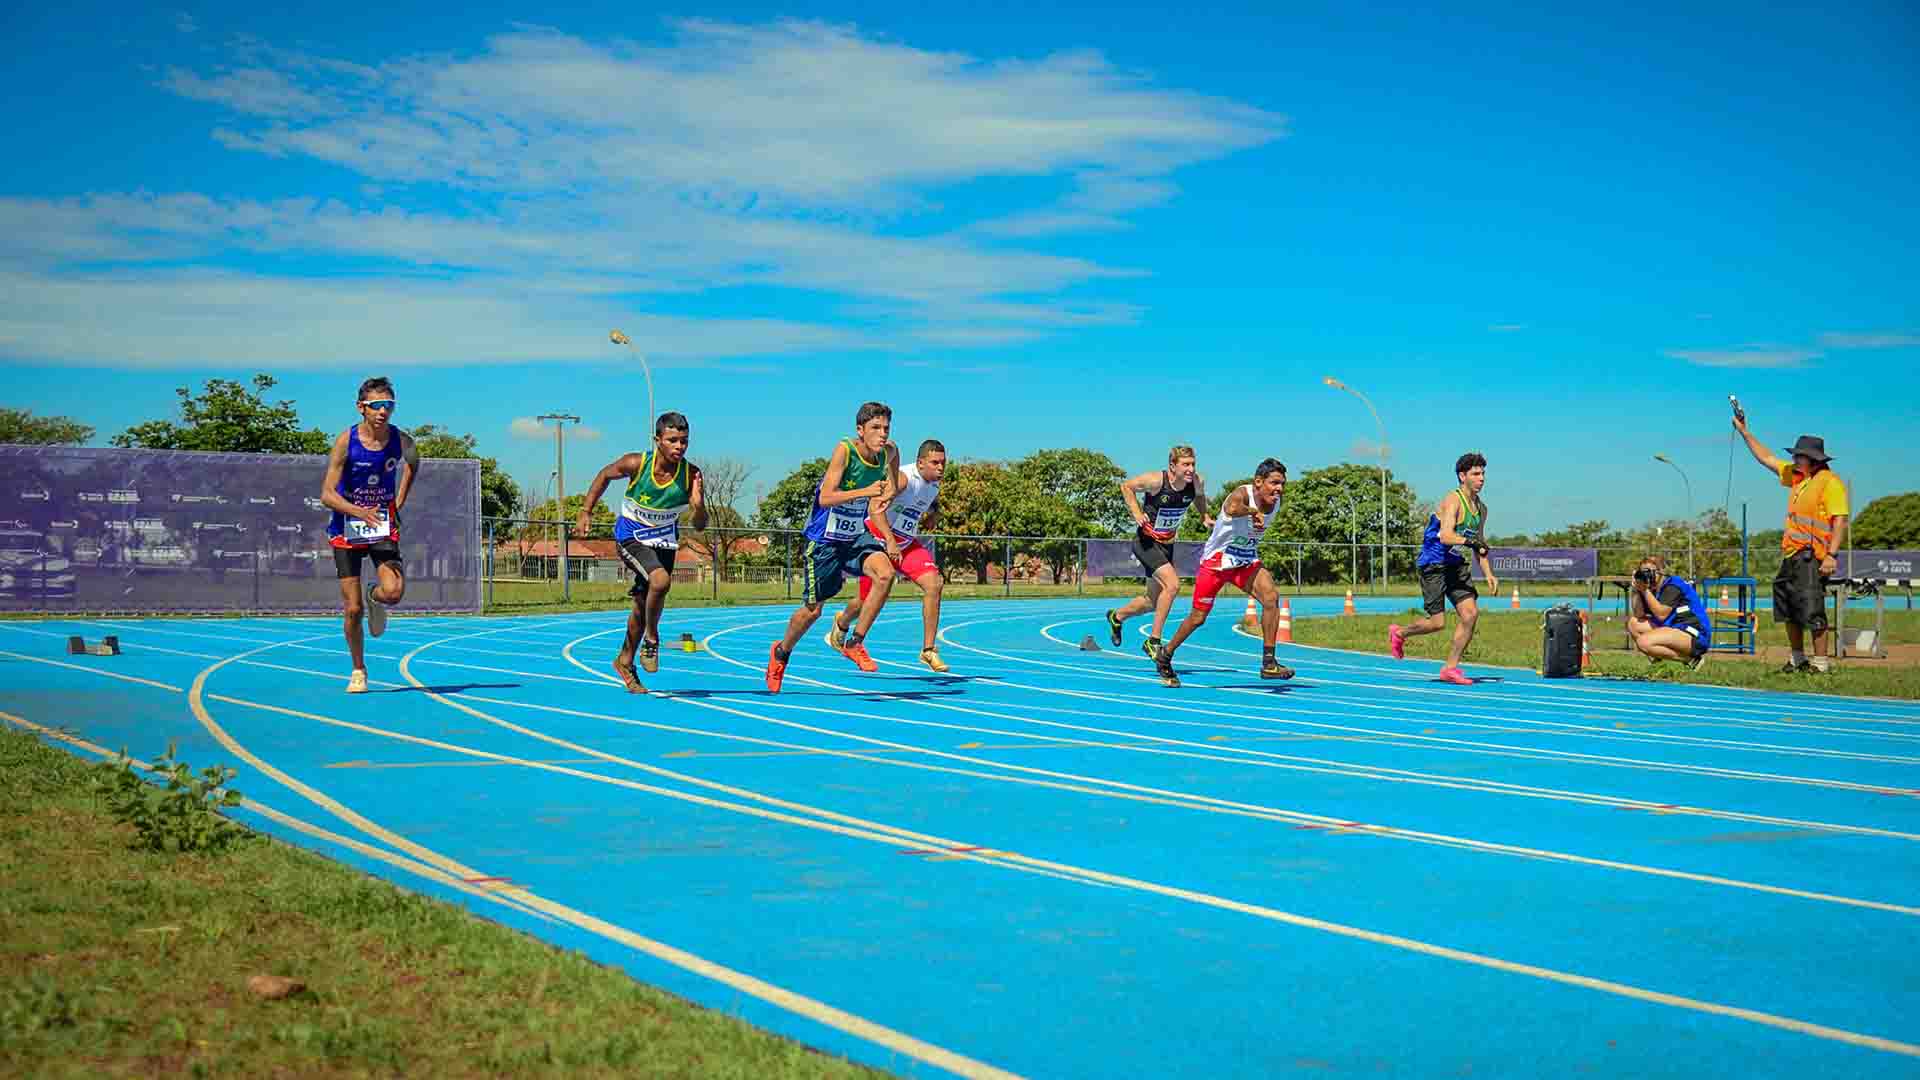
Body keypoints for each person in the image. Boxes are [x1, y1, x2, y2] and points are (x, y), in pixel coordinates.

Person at [764, 403, 898, 692]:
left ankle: (855, 642)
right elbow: (825, 498)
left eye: (886, 428)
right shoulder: (845, 450)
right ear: (860, 430)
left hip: (855, 536)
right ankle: (781, 652)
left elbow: (895, 457)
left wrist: (891, 487)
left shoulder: (886, 451)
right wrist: (866, 491)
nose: (882, 434)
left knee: (885, 574)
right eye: (875, 428)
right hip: (825, 540)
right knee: (813, 612)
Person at [575, 412, 709, 693]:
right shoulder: (636, 463)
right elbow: (604, 475)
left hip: (664, 542)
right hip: (631, 537)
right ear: (657, 440)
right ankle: (652, 638)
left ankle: (624, 661)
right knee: (660, 581)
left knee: (643, 602)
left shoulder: (691, 475)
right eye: (672, 440)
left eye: (684, 441)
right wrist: (586, 511)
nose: (679, 446)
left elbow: (699, 526)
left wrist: (698, 506)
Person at [1153, 458, 1295, 687]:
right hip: (1217, 562)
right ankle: (1165, 654)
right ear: (1258, 482)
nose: (1279, 489)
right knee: (1197, 618)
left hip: (1245, 560)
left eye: (1282, 484)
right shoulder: (1243, 494)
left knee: (1271, 597)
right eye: (1274, 483)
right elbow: (1231, 508)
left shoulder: (1276, 501)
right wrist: (1252, 512)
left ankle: (1269, 663)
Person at [320, 377, 417, 694]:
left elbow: (414, 462)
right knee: (352, 609)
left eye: (388, 405)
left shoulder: (400, 440)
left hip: (381, 526)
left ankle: (375, 596)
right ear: (361, 407)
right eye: (376, 405)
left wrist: (399, 499)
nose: (383, 411)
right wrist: (358, 511)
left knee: (394, 591)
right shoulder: (346, 441)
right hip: (347, 528)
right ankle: (358, 669)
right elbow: (327, 494)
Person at [1734, 416, 1849, 674]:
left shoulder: (1830, 482)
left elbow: (1840, 520)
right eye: (1795, 455)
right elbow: (1767, 459)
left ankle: (1820, 663)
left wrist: (1831, 555)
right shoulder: (1798, 478)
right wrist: (1744, 432)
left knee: (1812, 608)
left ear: (1813, 459)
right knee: (1787, 607)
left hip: (1812, 556)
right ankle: (1797, 658)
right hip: (1791, 554)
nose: (1795, 459)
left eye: (1800, 456)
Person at [827, 438, 950, 672]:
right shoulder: (903, 479)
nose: (941, 467)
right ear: (920, 463)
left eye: (943, 462)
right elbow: (874, 509)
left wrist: (934, 515)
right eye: (935, 463)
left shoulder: (934, 484)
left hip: (906, 543)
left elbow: (930, 501)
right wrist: (890, 541)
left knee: (934, 583)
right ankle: (843, 621)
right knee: (865, 602)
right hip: (878, 541)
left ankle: (928, 650)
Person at [1389, 452, 1498, 686]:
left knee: (1470, 614)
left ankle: (1450, 668)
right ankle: (1399, 633)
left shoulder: (1481, 509)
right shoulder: (1453, 500)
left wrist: (1488, 573)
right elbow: (1446, 536)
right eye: (1476, 474)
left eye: (1483, 474)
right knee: (1437, 623)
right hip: (1433, 562)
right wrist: (1469, 542)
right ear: (1462, 476)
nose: (1481, 478)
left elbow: (1479, 544)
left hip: (1454, 564)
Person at [1106, 446, 1210, 658]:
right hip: (1146, 542)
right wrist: (1137, 513)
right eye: (1185, 464)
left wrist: (1204, 516)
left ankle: (1117, 617)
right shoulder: (1156, 481)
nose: (1191, 469)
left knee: (1152, 602)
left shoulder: (1197, 481)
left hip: (1167, 544)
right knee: (1172, 585)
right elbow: (1126, 486)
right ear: (1172, 466)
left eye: (1193, 464)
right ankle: (1153, 641)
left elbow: (1199, 496)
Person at [1626, 554, 1711, 668]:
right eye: (1643, 572)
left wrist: (1645, 591)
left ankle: (1691, 660)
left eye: (1649, 572)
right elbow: (1639, 614)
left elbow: (1661, 615)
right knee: (1633, 623)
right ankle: (1657, 661)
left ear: (1661, 572)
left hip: (1694, 634)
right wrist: (1636, 589)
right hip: (1673, 627)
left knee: (1643, 642)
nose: (1646, 576)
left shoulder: (1673, 585)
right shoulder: (1650, 588)